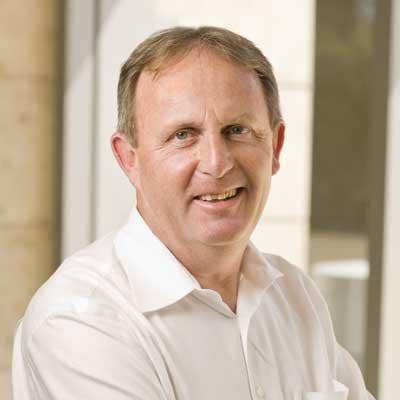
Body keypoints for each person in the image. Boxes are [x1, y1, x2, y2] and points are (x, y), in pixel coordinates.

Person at [12, 26, 374, 400]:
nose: (217, 163)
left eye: (237, 129)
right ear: (129, 159)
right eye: (183, 135)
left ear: (276, 146)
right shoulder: (82, 320)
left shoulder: (295, 297)